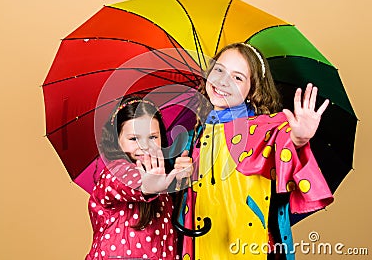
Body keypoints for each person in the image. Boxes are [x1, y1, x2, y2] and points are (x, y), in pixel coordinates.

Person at [175, 43, 334, 260]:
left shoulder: (260, 129)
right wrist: (182, 175)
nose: (223, 81)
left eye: (237, 77)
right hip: (204, 246)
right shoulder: (198, 132)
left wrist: (298, 138)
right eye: (219, 70)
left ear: (253, 90)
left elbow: (281, 142)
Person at [85, 96, 190, 260]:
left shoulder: (164, 178)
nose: (145, 146)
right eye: (134, 138)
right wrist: (148, 184)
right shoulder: (114, 172)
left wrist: (179, 179)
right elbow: (129, 181)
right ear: (116, 139)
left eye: (153, 137)